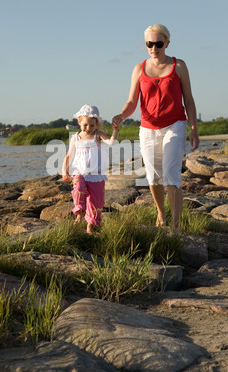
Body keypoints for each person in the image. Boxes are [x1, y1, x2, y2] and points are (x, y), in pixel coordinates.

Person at [112, 24, 199, 231]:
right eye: (149, 44)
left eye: (158, 43)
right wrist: (122, 115)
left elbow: (189, 100)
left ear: (167, 43)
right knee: (152, 176)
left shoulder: (179, 66)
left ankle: (176, 226)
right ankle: (161, 213)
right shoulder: (138, 69)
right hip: (148, 128)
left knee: (171, 173)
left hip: (175, 125)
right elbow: (132, 101)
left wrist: (193, 128)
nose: (153, 47)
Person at [62, 104, 119, 233]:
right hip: (80, 173)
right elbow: (69, 155)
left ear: (97, 124)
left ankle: (90, 226)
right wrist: (64, 169)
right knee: (78, 189)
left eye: (92, 125)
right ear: (79, 122)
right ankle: (80, 212)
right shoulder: (76, 138)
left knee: (96, 201)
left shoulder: (97, 135)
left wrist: (115, 130)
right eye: (85, 125)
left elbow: (112, 142)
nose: (88, 128)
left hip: (96, 174)